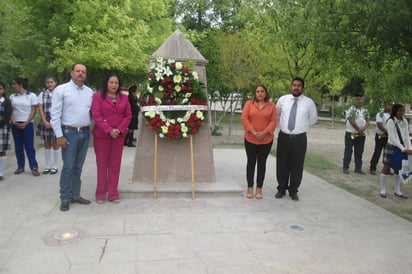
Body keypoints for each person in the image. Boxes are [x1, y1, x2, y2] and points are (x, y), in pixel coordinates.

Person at [51, 64, 93, 211]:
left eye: (83, 72)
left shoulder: (89, 92)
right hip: (69, 133)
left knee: (78, 167)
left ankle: (76, 194)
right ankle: (65, 197)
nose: (80, 74)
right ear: (72, 73)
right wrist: (59, 135)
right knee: (68, 166)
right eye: (78, 71)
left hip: (85, 133)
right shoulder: (61, 90)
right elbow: (54, 115)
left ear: (86, 75)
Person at [275, 77, 317, 201]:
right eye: (294, 85)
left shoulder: (309, 102)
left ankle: (293, 190)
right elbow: (276, 115)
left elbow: (313, 119)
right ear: (291, 86)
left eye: (299, 85)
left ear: (302, 88)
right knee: (282, 164)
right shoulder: (283, 100)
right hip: (284, 137)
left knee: (297, 165)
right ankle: (281, 189)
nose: (296, 87)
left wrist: (300, 126)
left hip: (299, 139)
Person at [91, 73, 131, 203]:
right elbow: (96, 114)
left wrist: (118, 130)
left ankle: (113, 193)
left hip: (118, 137)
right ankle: (100, 193)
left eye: (116, 83)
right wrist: (109, 129)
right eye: (111, 82)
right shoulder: (97, 97)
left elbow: (128, 116)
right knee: (102, 164)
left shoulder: (124, 98)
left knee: (115, 165)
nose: (114, 85)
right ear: (106, 83)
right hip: (102, 136)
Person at [241, 85, 277, 199]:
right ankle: (250, 187)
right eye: (258, 91)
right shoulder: (249, 104)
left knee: (262, 164)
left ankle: (259, 188)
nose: (260, 93)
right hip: (250, 139)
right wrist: (253, 131)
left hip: (266, 140)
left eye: (262, 91)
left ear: (266, 93)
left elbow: (273, 121)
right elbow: (244, 118)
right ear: (255, 93)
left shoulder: (271, 106)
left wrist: (264, 132)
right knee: (251, 163)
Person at [379, 103, 411, 199]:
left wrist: (409, 148)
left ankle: (397, 191)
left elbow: (406, 136)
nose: (401, 112)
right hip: (392, 147)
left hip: (403, 147)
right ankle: (383, 190)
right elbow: (392, 137)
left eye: (402, 111)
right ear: (395, 111)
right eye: (399, 111)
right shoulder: (391, 121)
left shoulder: (405, 121)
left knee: (398, 169)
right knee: (386, 166)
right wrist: (403, 148)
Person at [9, 77, 40, 176]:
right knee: (18, 146)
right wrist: (13, 120)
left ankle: (34, 166)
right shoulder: (12, 96)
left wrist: (26, 122)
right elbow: (10, 110)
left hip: (27, 124)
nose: (13, 86)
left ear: (20, 84)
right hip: (15, 124)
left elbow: (33, 110)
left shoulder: (31, 95)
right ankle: (20, 166)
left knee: (29, 146)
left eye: (14, 84)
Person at [342, 93, 370, 175]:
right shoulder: (351, 108)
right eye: (358, 99)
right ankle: (346, 167)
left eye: (361, 99)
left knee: (359, 151)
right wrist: (358, 129)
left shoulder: (365, 110)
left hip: (361, 134)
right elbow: (351, 120)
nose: (360, 101)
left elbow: (368, 121)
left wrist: (363, 129)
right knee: (348, 150)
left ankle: (358, 168)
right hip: (351, 133)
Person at [38, 76, 60, 175]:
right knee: (47, 144)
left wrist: (55, 122)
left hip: (56, 122)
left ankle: (55, 166)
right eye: (48, 82)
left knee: (56, 143)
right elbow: (40, 109)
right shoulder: (42, 94)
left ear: (55, 83)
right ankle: (47, 166)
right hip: (45, 122)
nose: (50, 84)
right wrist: (44, 121)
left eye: (51, 82)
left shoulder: (59, 93)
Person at [369, 104, 391, 175]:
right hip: (380, 136)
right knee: (377, 152)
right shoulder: (381, 113)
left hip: (388, 137)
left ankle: (387, 169)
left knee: (387, 153)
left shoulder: (392, 114)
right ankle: (373, 167)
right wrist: (387, 132)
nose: (390, 107)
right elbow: (379, 124)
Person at [0, 81, 12, 180]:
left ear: (3, 90)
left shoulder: (6, 101)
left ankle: (1, 172)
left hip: (2, 128)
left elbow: (8, 115)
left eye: (0, 88)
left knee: (2, 151)